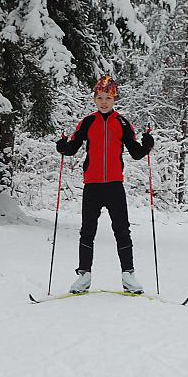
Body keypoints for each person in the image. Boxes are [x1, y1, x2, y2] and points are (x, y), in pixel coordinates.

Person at [56, 75, 154, 294]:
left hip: (114, 186)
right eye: (99, 97)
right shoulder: (88, 122)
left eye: (108, 97)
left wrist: (147, 146)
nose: (103, 102)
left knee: (122, 230)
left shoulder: (122, 123)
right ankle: (84, 276)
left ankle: (128, 275)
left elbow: (136, 152)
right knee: (87, 231)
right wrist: (62, 146)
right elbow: (72, 148)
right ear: (94, 99)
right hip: (92, 185)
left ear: (114, 99)